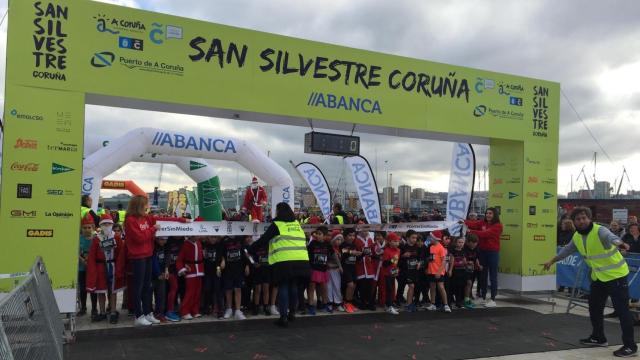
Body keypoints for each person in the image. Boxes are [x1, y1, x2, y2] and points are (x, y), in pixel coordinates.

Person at [542, 207, 636, 358]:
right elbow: (566, 250)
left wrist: (621, 244)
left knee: (622, 311)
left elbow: (612, 238)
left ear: (589, 218)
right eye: (578, 219)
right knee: (594, 307)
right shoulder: (577, 237)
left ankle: (630, 346)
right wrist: (551, 261)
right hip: (599, 277)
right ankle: (599, 337)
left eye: (584, 218)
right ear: (574, 222)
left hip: (616, 276)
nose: (581, 221)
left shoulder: (600, 231)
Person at [124, 195, 187, 326]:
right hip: (137, 257)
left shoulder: (146, 218)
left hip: (147, 255)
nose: (147, 207)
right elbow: (139, 238)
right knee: (138, 287)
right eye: (145, 205)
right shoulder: (130, 220)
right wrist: (153, 229)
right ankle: (138, 315)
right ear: (139, 205)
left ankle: (147, 313)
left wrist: (180, 220)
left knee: (147, 286)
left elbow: (163, 219)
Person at [250, 202, 310, 327]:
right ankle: (292, 313)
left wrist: (249, 249)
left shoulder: (277, 225)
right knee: (293, 287)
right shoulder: (297, 224)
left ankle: (283, 317)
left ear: (279, 212)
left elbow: (263, 240)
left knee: (283, 287)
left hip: (284, 261)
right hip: (302, 260)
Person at [86, 213, 126, 324]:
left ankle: (113, 312)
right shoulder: (96, 239)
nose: (107, 225)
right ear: (100, 225)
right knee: (100, 291)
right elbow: (92, 256)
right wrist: (93, 271)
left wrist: (119, 268)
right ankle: (103, 312)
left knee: (113, 291)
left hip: (113, 267)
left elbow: (121, 255)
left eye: (109, 223)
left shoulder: (117, 238)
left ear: (112, 224)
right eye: (104, 224)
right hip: (100, 268)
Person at [465, 207, 503, 308]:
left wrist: (470, 231)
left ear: (494, 215)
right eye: (487, 213)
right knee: (483, 276)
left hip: (493, 253)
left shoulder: (498, 226)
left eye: (490, 213)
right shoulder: (482, 223)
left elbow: (485, 234)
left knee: (493, 276)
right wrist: (462, 221)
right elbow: (473, 223)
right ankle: (483, 297)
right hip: (482, 252)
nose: (488, 215)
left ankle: (493, 299)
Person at [249, 236, 279, 316]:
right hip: (257, 270)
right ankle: (256, 307)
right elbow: (249, 255)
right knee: (257, 289)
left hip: (266, 269)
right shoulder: (254, 245)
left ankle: (266, 307)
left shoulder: (269, 245)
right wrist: (253, 263)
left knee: (266, 288)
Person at [221, 235, 249, 320]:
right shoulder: (224, 239)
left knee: (238, 289)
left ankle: (237, 310)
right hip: (228, 269)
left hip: (239, 268)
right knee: (228, 289)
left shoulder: (240, 239)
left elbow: (245, 253)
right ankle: (229, 309)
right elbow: (221, 252)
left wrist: (247, 265)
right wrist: (222, 260)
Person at [176, 236, 204, 320]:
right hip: (190, 271)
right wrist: (182, 269)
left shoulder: (199, 243)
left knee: (197, 292)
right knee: (190, 292)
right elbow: (179, 259)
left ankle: (195, 310)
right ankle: (184, 311)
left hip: (199, 271)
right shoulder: (185, 245)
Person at [307, 226, 332, 314]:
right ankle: (310, 305)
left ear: (325, 236)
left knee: (323, 288)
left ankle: (324, 304)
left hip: (323, 270)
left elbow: (333, 255)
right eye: (316, 234)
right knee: (311, 287)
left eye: (319, 234)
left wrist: (338, 265)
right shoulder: (312, 244)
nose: (317, 235)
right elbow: (308, 255)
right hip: (313, 269)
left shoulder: (328, 244)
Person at [425, 232, 451, 313]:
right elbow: (430, 259)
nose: (430, 239)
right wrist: (427, 268)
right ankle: (433, 304)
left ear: (435, 238)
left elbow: (444, 261)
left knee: (441, 287)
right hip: (431, 271)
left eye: (431, 237)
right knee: (432, 287)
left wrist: (439, 272)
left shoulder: (441, 248)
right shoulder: (431, 247)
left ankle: (446, 305)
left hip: (439, 272)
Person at [78, 214, 97, 317]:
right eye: (84, 228)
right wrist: (82, 261)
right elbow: (76, 253)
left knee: (93, 289)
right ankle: (83, 307)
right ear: (81, 228)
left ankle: (94, 308)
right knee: (83, 288)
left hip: (92, 268)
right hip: (81, 268)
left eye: (89, 227)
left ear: (93, 227)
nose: (87, 230)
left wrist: (89, 262)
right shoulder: (78, 239)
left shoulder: (95, 239)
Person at [202, 236, 225, 319]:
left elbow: (224, 254)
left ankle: (220, 311)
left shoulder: (220, 245)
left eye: (214, 237)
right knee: (207, 289)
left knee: (218, 291)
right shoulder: (204, 244)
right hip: (207, 272)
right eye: (211, 237)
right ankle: (206, 308)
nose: (213, 239)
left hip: (217, 271)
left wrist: (223, 260)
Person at [355, 228, 377, 310]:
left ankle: (370, 302)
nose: (366, 232)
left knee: (370, 286)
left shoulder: (370, 239)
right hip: (360, 266)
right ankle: (363, 302)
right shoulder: (356, 240)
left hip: (369, 266)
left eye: (367, 230)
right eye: (364, 230)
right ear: (359, 231)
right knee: (362, 287)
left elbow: (373, 251)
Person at [400, 230, 421, 312]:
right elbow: (397, 259)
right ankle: (408, 304)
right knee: (411, 286)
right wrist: (403, 256)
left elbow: (420, 258)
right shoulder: (403, 247)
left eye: (415, 238)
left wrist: (419, 263)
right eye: (413, 238)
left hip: (414, 271)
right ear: (407, 237)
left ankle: (410, 303)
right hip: (405, 271)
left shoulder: (417, 247)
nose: (414, 239)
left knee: (413, 287)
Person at [340, 228, 360, 313]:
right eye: (350, 235)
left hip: (353, 268)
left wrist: (361, 254)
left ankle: (350, 302)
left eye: (353, 236)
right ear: (345, 236)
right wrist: (352, 252)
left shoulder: (354, 245)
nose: (352, 237)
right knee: (350, 285)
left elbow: (355, 257)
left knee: (354, 285)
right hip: (345, 268)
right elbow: (344, 252)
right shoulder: (342, 245)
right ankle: (346, 303)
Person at [381, 232, 401, 315]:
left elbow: (396, 262)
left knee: (392, 289)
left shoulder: (398, 250)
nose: (396, 243)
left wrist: (397, 269)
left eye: (397, 241)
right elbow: (384, 264)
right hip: (386, 273)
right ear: (389, 242)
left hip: (393, 272)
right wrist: (392, 260)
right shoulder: (386, 251)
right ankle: (389, 306)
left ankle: (390, 304)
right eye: (394, 241)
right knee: (388, 289)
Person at [165, 236, 184, 322]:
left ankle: (172, 309)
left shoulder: (182, 239)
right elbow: (167, 255)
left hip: (179, 269)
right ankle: (169, 311)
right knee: (173, 289)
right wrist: (166, 268)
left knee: (177, 289)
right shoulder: (168, 240)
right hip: (170, 270)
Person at [151, 236, 169, 323]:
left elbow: (166, 258)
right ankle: (149, 313)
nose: (164, 242)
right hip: (152, 274)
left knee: (161, 294)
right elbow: (153, 260)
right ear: (157, 239)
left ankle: (160, 313)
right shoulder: (152, 247)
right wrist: (158, 273)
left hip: (161, 274)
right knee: (149, 294)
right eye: (162, 239)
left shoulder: (165, 246)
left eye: (165, 240)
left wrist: (166, 269)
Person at [326, 231, 344, 312]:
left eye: (340, 240)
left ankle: (337, 303)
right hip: (330, 270)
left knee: (337, 286)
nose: (339, 241)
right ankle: (329, 303)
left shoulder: (339, 248)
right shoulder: (330, 248)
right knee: (329, 286)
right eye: (337, 239)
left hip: (336, 270)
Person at [463, 233, 482, 309]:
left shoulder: (476, 249)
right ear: (468, 242)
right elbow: (462, 258)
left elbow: (476, 258)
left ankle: (467, 299)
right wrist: (467, 262)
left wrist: (478, 265)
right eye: (472, 243)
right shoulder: (464, 248)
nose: (474, 245)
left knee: (470, 284)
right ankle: (465, 299)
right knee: (468, 283)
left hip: (471, 269)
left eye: (475, 243)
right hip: (463, 269)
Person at [449, 237, 467, 309]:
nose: (460, 244)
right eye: (459, 242)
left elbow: (465, 262)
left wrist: (465, 263)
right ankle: (451, 301)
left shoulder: (464, 251)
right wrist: (450, 270)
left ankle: (459, 301)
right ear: (456, 243)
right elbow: (451, 262)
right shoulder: (453, 251)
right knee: (454, 286)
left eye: (462, 242)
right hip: (455, 271)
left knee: (461, 286)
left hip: (462, 271)